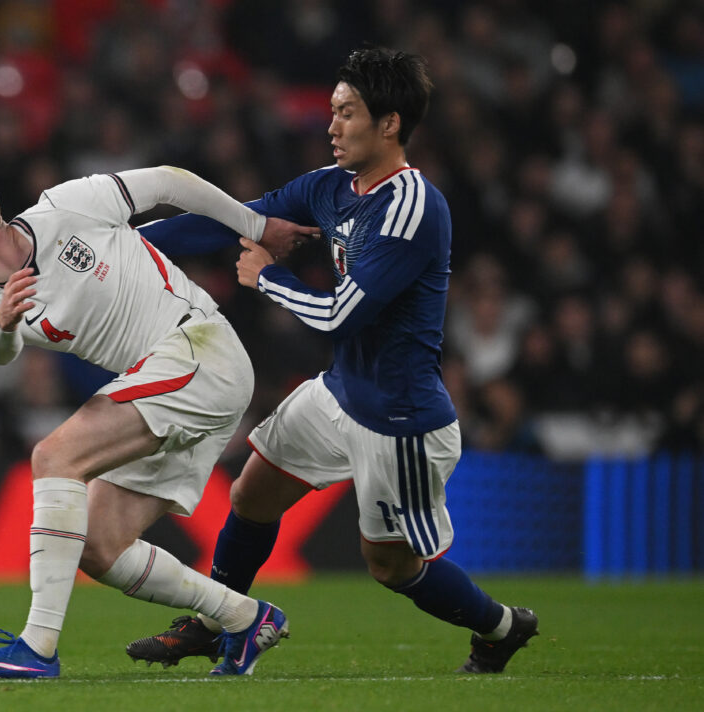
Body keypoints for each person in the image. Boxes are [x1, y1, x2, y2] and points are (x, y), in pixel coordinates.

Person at [126, 48, 539, 674]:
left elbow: (339, 315)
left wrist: (265, 278)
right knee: (251, 494)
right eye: (332, 112)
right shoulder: (328, 187)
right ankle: (218, 622)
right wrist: (118, 251)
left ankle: (501, 627)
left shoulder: (412, 208)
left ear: (390, 123)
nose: (332, 126)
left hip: (398, 418)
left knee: (392, 567)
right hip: (341, 391)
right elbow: (229, 223)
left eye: (347, 113)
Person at [0, 166, 318, 678]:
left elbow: (170, 182)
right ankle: (245, 615)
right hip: (171, 382)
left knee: (55, 456)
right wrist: (7, 323)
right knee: (100, 544)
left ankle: (36, 649)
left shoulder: (66, 206)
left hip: (197, 350)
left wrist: (253, 225)